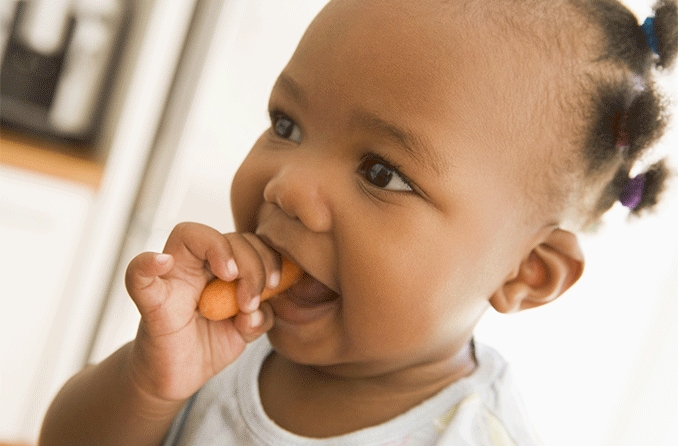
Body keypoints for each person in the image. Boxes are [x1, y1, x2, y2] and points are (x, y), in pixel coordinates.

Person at [39, 0, 678, 444]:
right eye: (286, 125)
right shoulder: (228, 340)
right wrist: (150, 385)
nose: (288, 187)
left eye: (381, 172)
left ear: (527, 273)